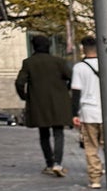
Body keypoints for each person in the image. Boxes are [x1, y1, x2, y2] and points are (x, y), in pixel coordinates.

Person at [14, 35, 73, 177]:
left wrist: (26, 97)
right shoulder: (59, 62)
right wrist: (66, 91)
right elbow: (72, 77)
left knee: (44, 134)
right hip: (59, 102)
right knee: (59, 133)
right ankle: (58, 163)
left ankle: (49, 163)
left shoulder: (29, 63)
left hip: (38, 104)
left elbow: (19, 82)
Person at [70, 36, 104, 188]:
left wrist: (74, 114)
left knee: (91, 146)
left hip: (88, 112)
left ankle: (95, 178)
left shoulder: (79, 68)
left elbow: (76, 92)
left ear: (83, 48)